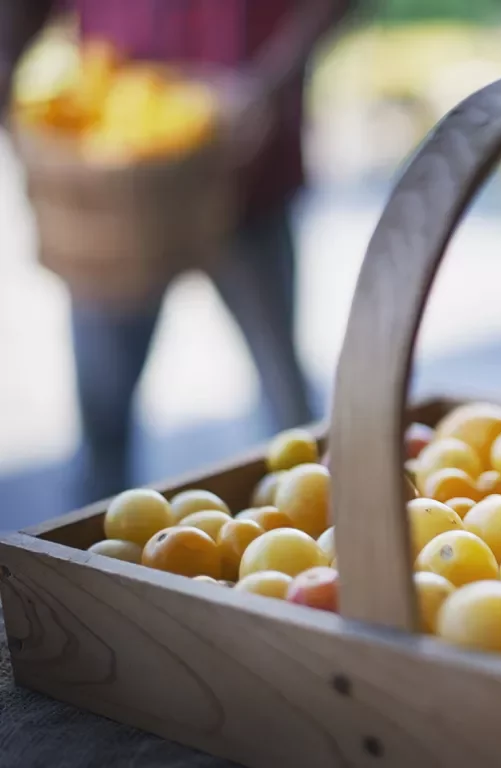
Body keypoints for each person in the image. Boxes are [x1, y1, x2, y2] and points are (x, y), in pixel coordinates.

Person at [0, 0, 350, 501]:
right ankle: (83, 565)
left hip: (249, 171)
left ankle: (322, 526)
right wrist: (8, 58)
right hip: (114, 189)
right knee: (103, 420)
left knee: (288, 403)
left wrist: (275, 81)